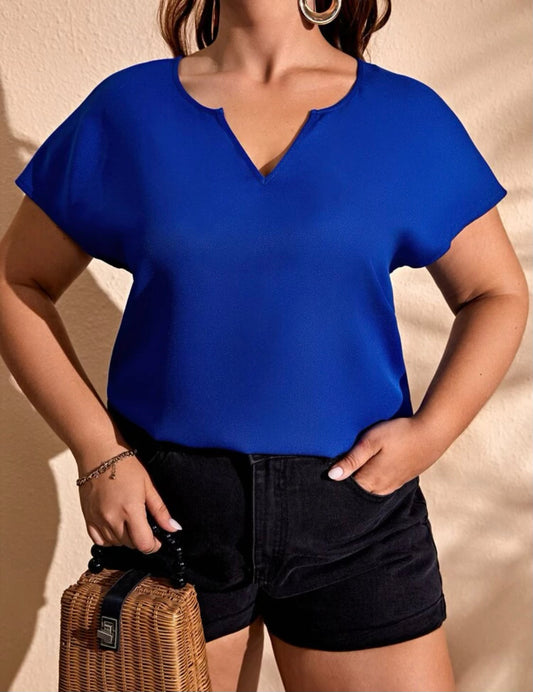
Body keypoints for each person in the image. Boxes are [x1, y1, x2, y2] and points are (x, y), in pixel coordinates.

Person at [0, 0, 528, 690]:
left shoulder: (406, 118)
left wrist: (431, 434)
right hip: (168, 511)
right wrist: (98, 452)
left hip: (356, 512)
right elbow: (16, 281)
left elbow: (496, 293)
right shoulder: (126, 111)